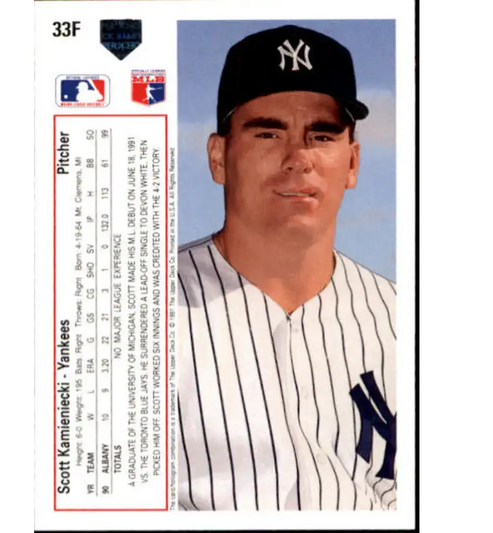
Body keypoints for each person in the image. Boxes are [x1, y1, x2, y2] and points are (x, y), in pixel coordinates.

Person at [177, 24, 396, 511]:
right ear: (218, 157)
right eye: (268, 133)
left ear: (352, 162)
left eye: (321, 135)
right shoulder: (133, 315)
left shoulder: (398, 318)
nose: (298, 159)